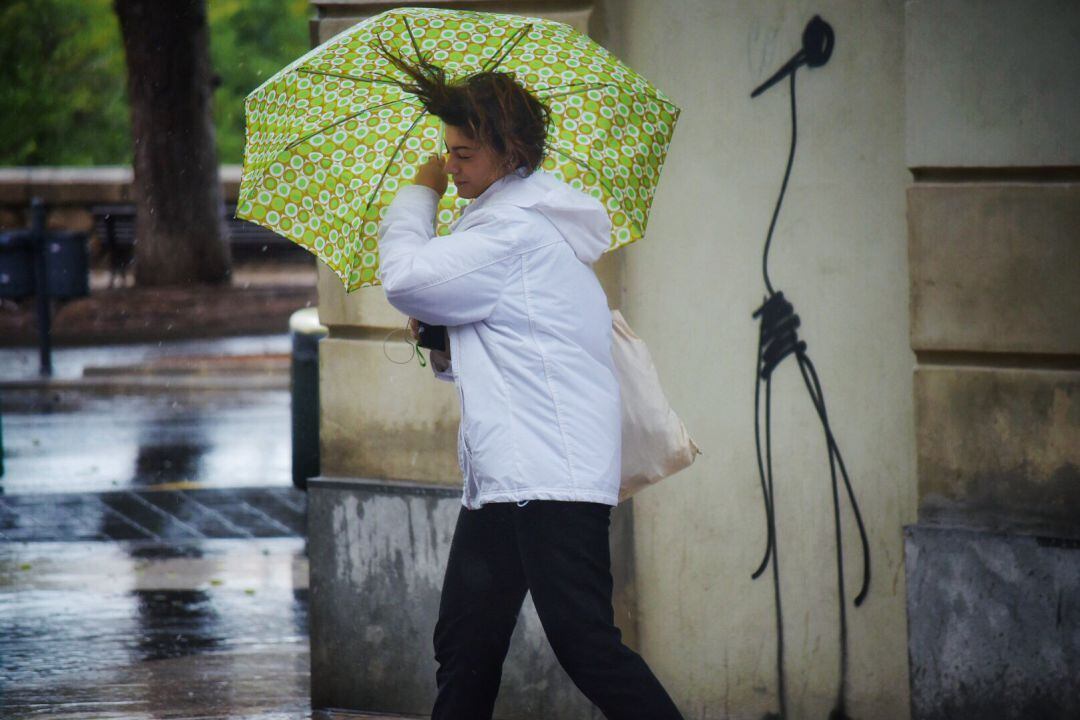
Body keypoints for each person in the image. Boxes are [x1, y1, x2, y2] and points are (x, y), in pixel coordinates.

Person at [375, 49, 684, 720]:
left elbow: (403, 276)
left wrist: (419, 192)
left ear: (509, 153)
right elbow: (510, 345)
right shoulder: (509, 225)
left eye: (463, 154)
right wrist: (440, 335)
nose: (450, 165)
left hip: (549, 477)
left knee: (585, 645)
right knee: (466, 642)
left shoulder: (512, 231)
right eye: (446, 153)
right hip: (508, 476)